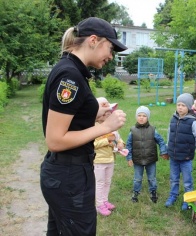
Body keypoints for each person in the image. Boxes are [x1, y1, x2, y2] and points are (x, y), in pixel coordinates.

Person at [40, 17, 127, 235]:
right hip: (70, 178)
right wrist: (105, 127)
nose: (111, 56)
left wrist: (93, 113)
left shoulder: (72, 70)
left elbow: (70, 118)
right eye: (111, 47)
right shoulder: (70, 76)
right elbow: (55, 140)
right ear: (93, 40)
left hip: (67, 174)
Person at [165, 93, 196, 210]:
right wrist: (168, 147)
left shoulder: (192, 121)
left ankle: (188, 199)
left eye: (183, 105)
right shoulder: (172, 119)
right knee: (174, 178)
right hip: (174, 157)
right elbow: (169, 135)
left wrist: (190, 149)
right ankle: (173, 195)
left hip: (186, 158)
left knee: (187, 181)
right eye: (178, 105)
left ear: (189, 107)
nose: (180, 107)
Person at [125, 106, 169, 203]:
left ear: (148, 117)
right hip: (137, 160)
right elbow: (128, 146)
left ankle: (153, 192)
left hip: (150, 159)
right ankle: (136, 193)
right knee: (137, 179)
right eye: (139, 115)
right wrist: (129, 158)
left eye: (144, 116)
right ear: (136, 117)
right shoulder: (132, 131)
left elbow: (161, 141)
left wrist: (163, 152)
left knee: (152, 178)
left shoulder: (153, 130)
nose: (141, 117)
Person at [94, 97, 125, 216]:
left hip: (110, 159)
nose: (108, 114)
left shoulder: (112, 127)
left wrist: (121, 143)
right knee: (100, 182)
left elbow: (118, 138)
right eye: (105, 112)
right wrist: (107, 140)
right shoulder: (95, 128)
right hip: (99, 160)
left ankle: (105, 201)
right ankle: (99, 205)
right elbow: (93, 145)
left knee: (107, 181)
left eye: (109, 112)